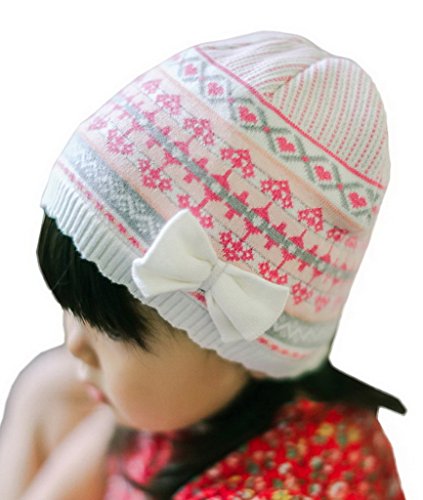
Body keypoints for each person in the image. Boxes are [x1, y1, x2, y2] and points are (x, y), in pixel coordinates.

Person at [0, 30, 407, 499]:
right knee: (50, 384)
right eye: (75, 310)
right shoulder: (203, 398)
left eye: (112, 330)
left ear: (248, 350)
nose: (75, 344)